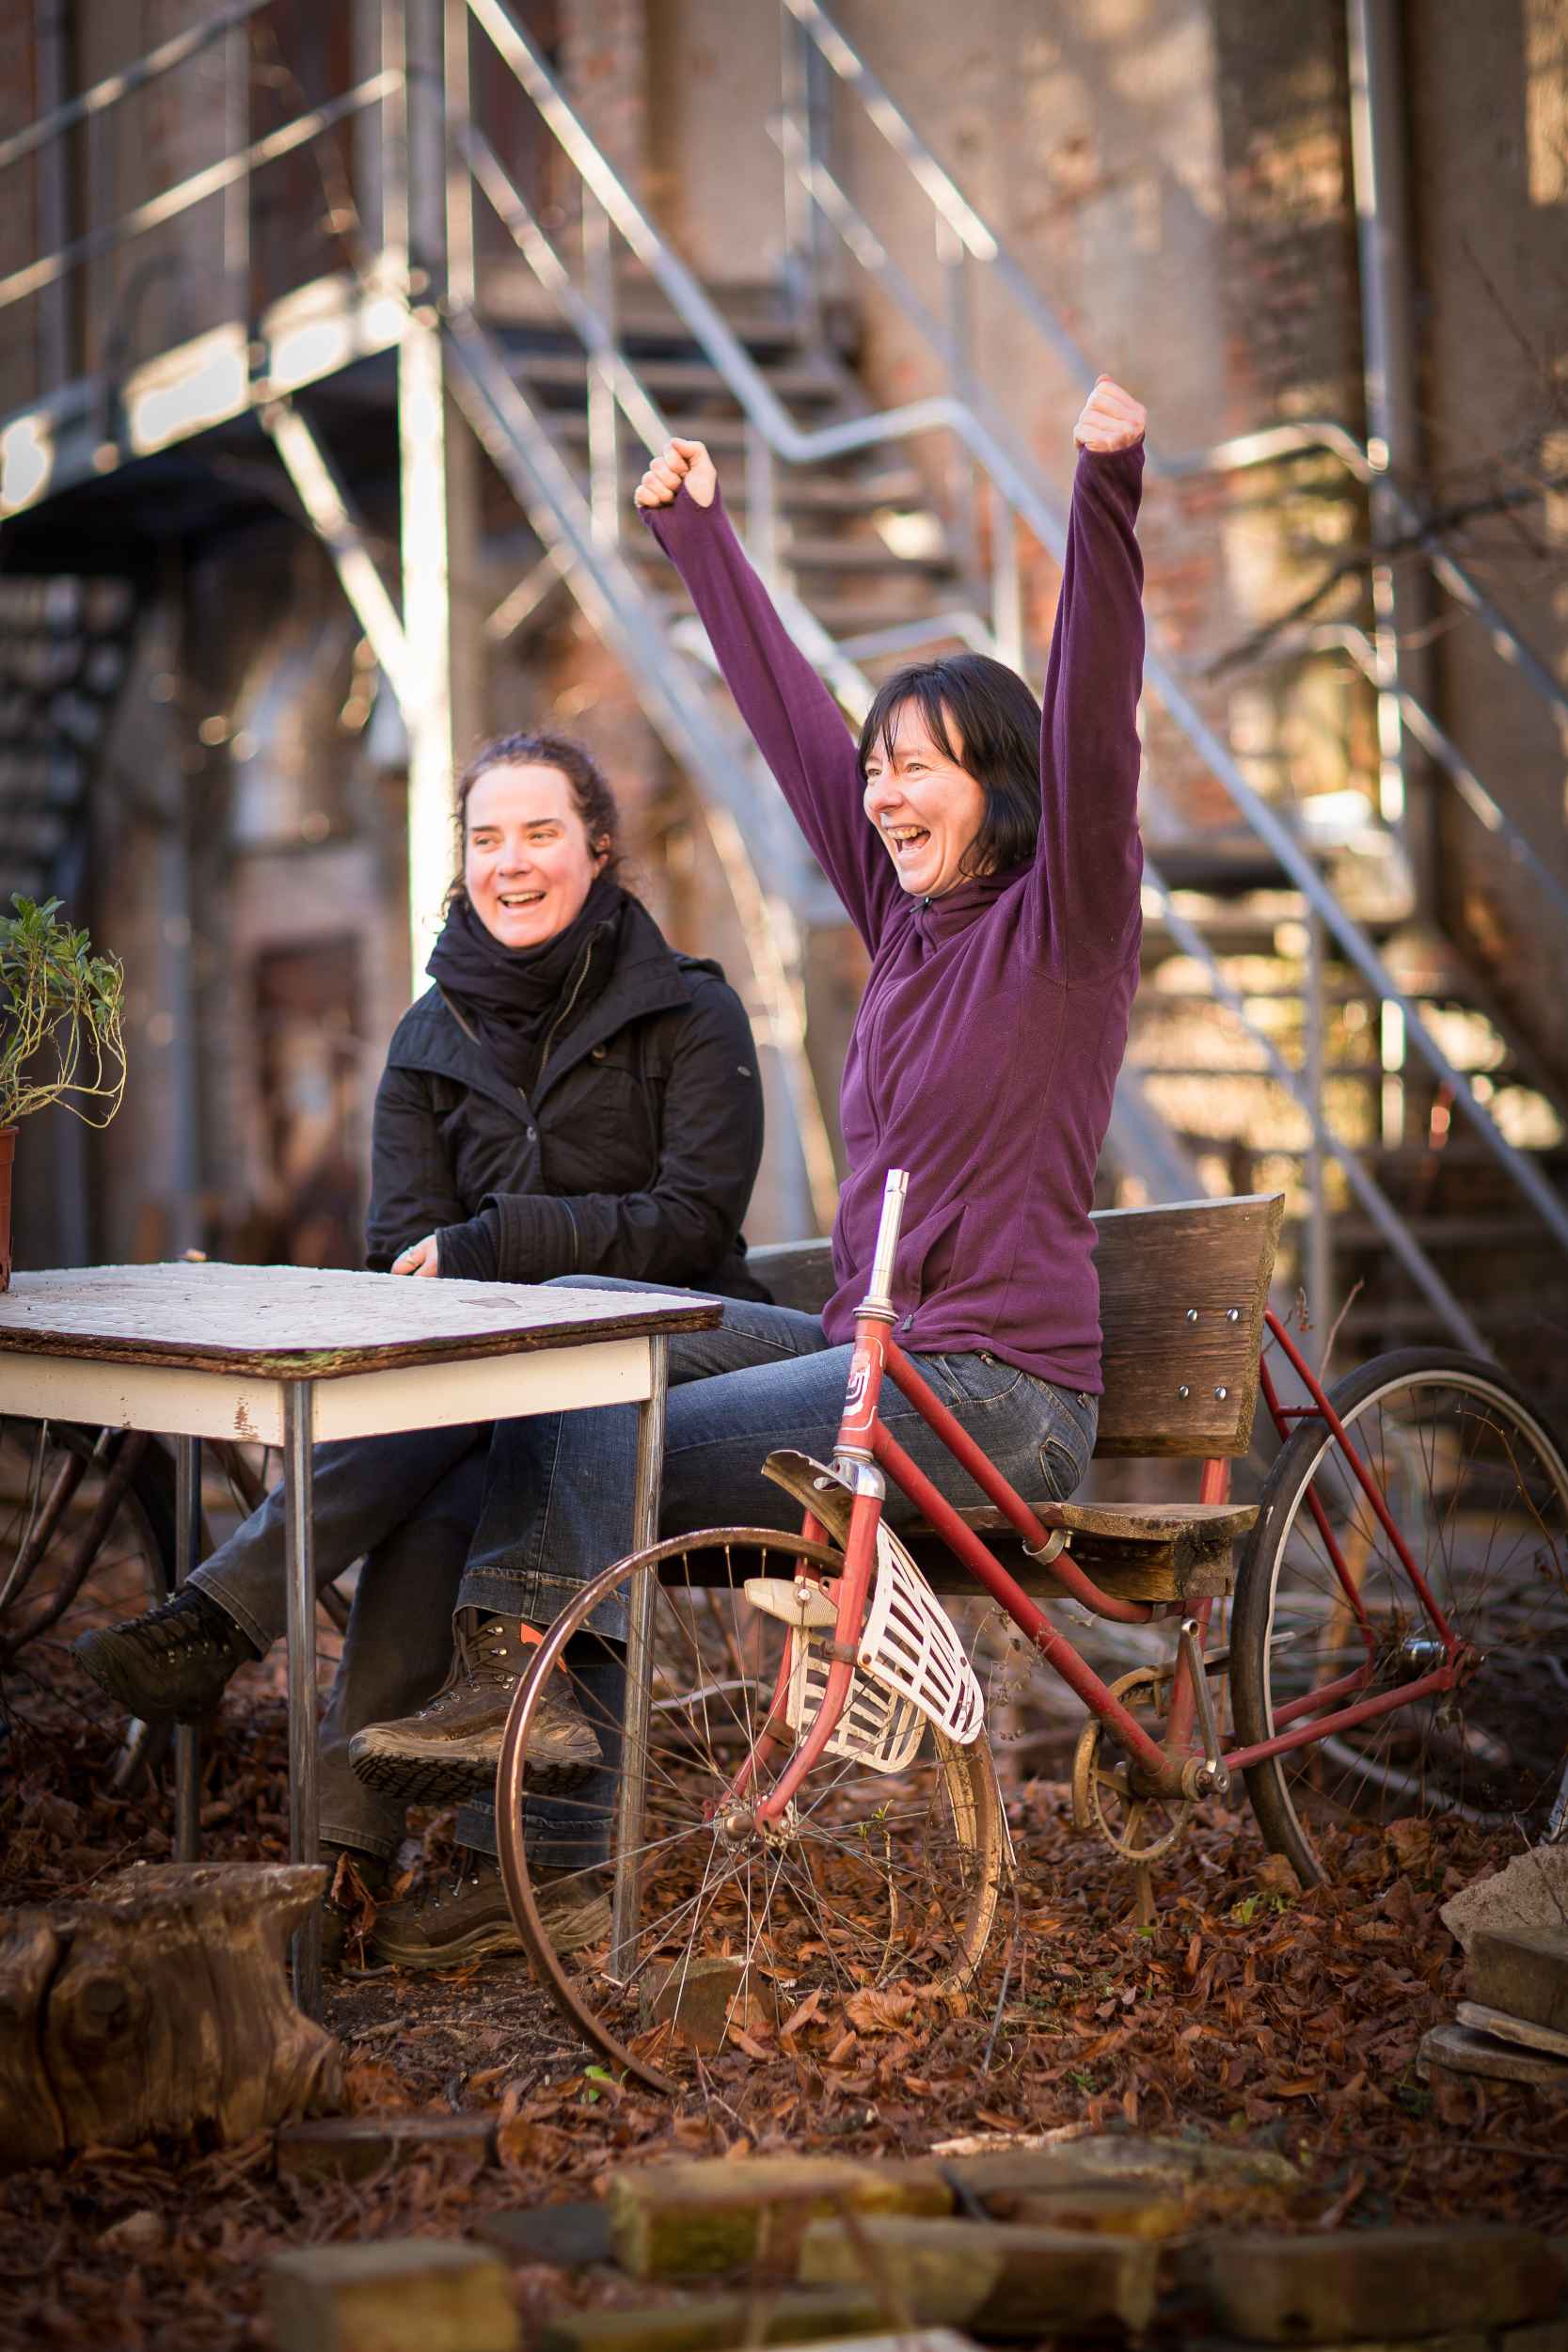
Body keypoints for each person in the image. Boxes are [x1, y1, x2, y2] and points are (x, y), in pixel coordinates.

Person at [341, 375, 1148, 1969]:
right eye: (881, 775)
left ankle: (558, 1816)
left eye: (921, 769)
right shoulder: (907, 924)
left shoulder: (1069, 923)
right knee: (575, 1335)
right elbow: (792, 730)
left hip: (996, 1391)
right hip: (873, 1352)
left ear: (1003, 782)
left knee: (592, 1421)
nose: (885, 796)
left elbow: (1097, 710)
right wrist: (696, 534)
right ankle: (546, 1743)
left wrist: (1105, 494)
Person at [77, 728, 768, 1958]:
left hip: (672, 1364)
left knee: (493, 1419)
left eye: (540, 833)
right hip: (486, 1388)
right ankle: (350, 1877)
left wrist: (496, 1244)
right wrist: (478, 1278)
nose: (511, 863)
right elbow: (402, 1252)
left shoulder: (689, 1012)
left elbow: (690, 1221)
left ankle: (236, 1636)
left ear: (598, 850)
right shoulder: (426, 1039)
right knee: (454, 1460)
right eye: (487, 837)